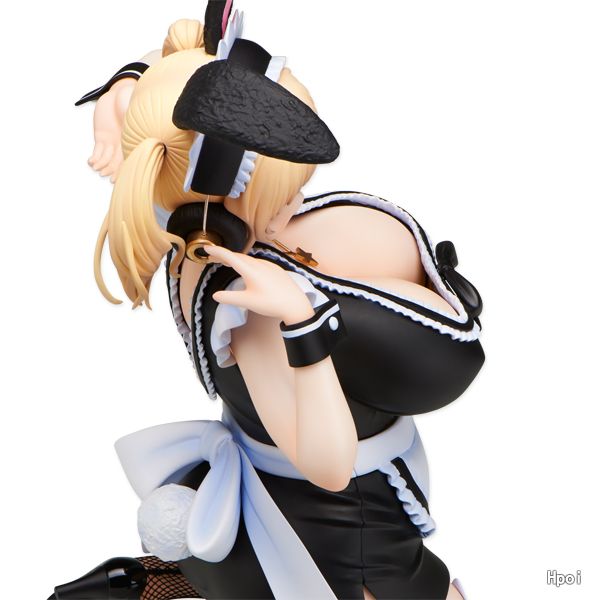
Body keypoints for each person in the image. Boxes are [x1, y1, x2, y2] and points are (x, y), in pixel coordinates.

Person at [50, 5, 484, 599]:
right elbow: (329, 467)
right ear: (221, 220)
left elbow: (167, 76)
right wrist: (303, 321)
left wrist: (120, 92)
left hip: (306, 485)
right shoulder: (250, 309)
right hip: (338, 523)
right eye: (282, 198)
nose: (297, 204)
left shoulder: (177, 194)